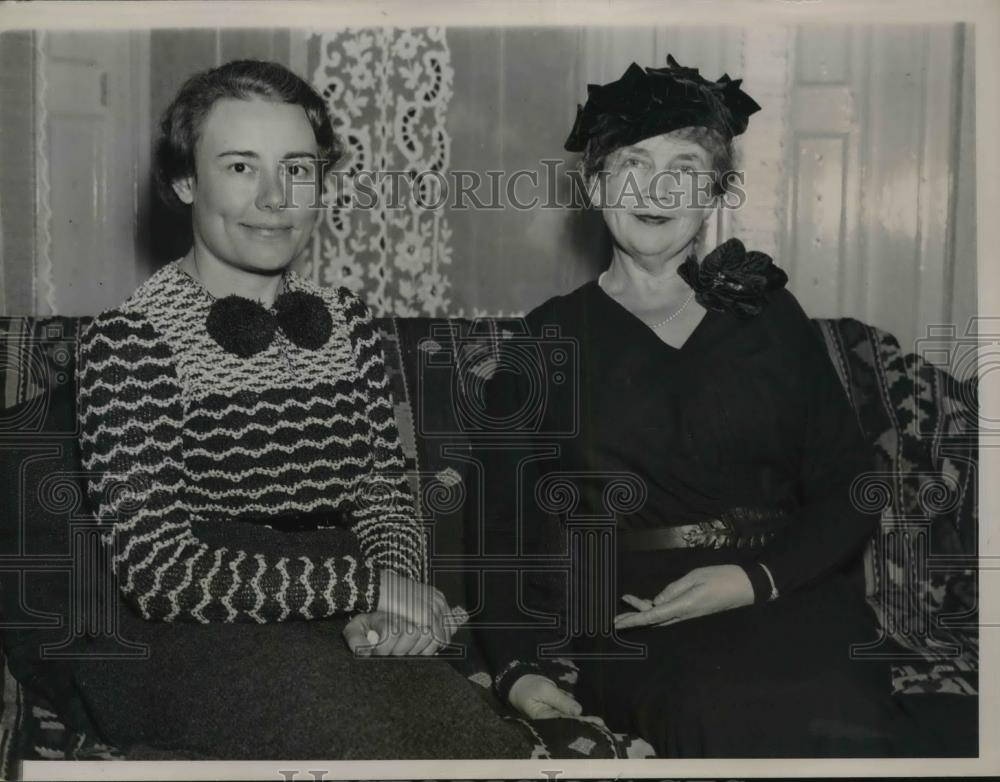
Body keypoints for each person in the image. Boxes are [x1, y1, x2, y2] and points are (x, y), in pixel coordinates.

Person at [73, 59, 530, 759]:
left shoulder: (348, 322)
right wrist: (366, 586)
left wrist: (393, 602)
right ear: (185, 181)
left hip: (338, 607)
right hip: (192, 631)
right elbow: (159, 572)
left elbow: (383, 493)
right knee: (360, 745)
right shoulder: (129, 340)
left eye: (296, 168)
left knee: (478, 748)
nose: (274, 198)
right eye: (239, 167)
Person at [473, 55, 914, 757]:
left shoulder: (768, 315)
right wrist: (517, 669)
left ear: (714, 194)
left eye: (684, 169)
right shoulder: (545, 340)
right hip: (643, 621)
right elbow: (499, 531)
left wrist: (755, 580)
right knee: (717, 717)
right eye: (633, 164)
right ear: (594, 184)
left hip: (788, 593)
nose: (656, 190)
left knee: (843, 722)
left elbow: (854, 487)